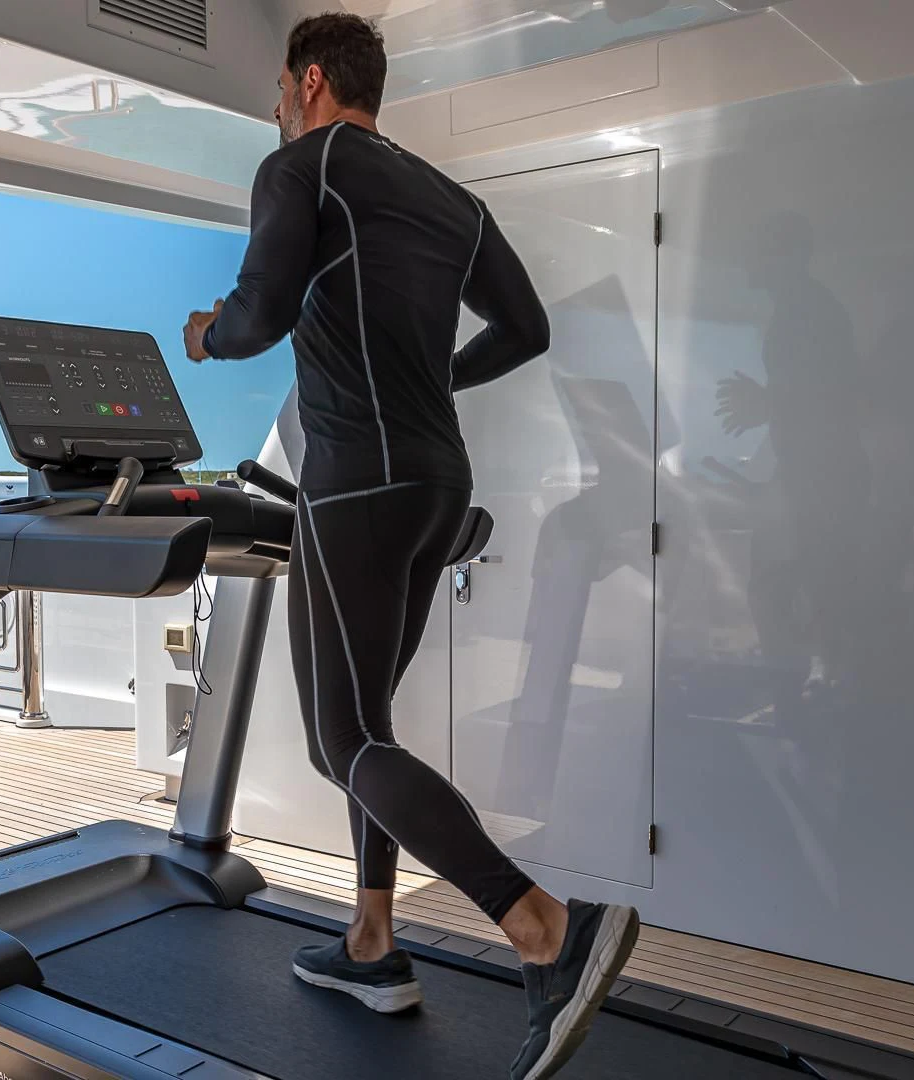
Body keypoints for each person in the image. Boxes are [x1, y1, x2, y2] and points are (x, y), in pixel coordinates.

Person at [180, 14, 640, 1079]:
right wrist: (435, 383)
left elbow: (259, 312)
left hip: (355, 490)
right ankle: (372, 941)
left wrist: (208, 336)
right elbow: (525, 330)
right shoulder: (451, 199)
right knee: (372, 726)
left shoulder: (303, 165)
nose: (277, 109)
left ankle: (541, 928)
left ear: (308, 81)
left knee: (340, 743)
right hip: (440, 486)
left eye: (280, 90)